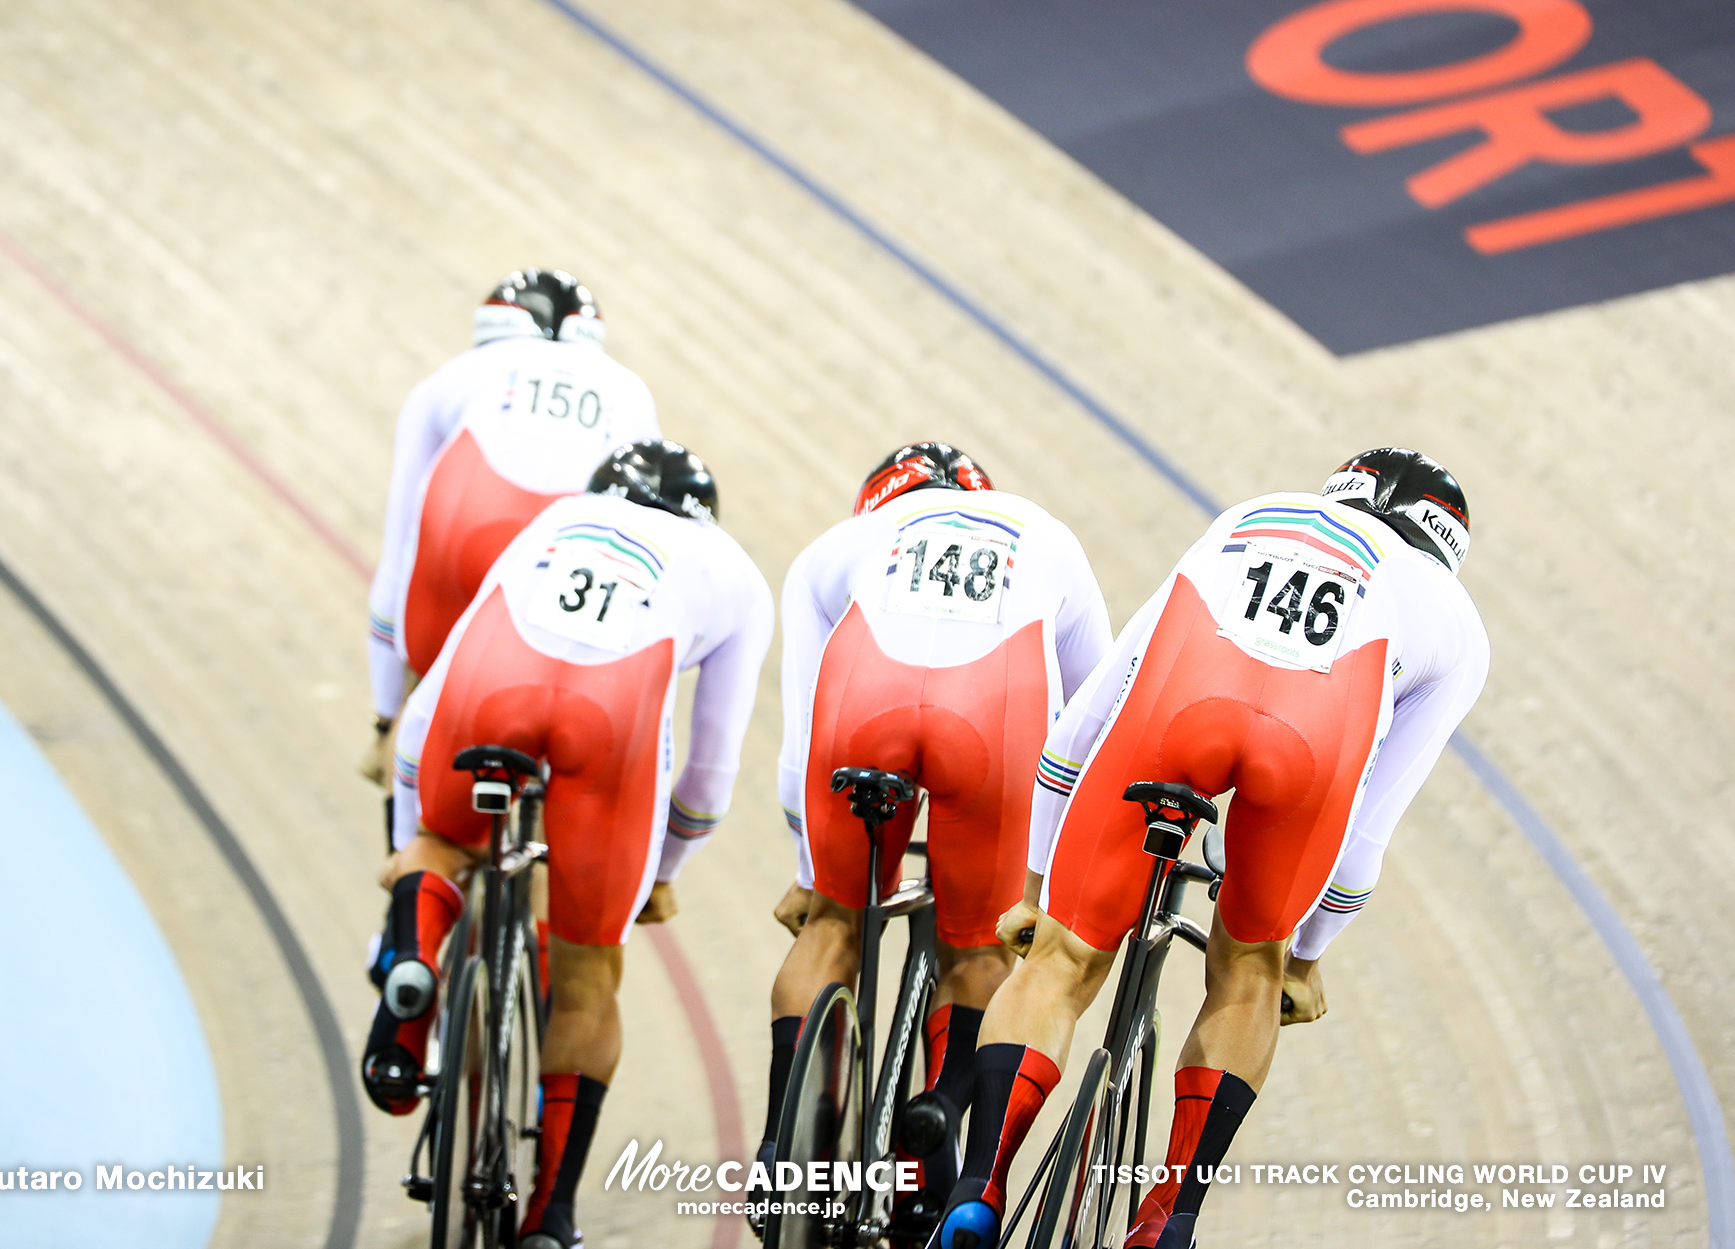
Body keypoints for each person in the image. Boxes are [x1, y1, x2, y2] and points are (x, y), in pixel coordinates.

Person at [937, 449, 1489, 1249]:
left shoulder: (1252, 516)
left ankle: (978, 1184)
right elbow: (1368, 829)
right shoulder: (1455, 621)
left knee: (1058, 961)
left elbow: (1085, 722)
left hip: (1177, 716)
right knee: (1248, 973)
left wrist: (1037, 884)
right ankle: (1170, 1216)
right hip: (1310, 751)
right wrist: (1301, 958)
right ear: (1446, 546)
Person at [362, 441, 773, 1249]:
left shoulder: (558, 519)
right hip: (611, 720)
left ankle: (415, 966)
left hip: (491, 683)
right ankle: (551, 1214)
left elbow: (437, 688)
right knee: (587, 972)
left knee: (444, 848)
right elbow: (709, 772)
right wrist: (662, 870)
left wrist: (417, 834)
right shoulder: (734, 575)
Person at [760, 443, 1115, 1222]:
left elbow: (799, 739)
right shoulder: (1045, 533)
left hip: (865, 705)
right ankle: (936, 1134)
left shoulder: (843, 545)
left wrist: (809, 868)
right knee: (979, 947)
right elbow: (1099, 705)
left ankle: (781, 1158)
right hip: (994, 719)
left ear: (879, 504)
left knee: (831, 925)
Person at [360, 269, 660, 787]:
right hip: (573, 562)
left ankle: (406, 823)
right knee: (573, 724)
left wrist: (384, 716)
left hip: (469, 538)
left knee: (421, 698)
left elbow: (400, 549)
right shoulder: (631, 391)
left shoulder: (457, 375)